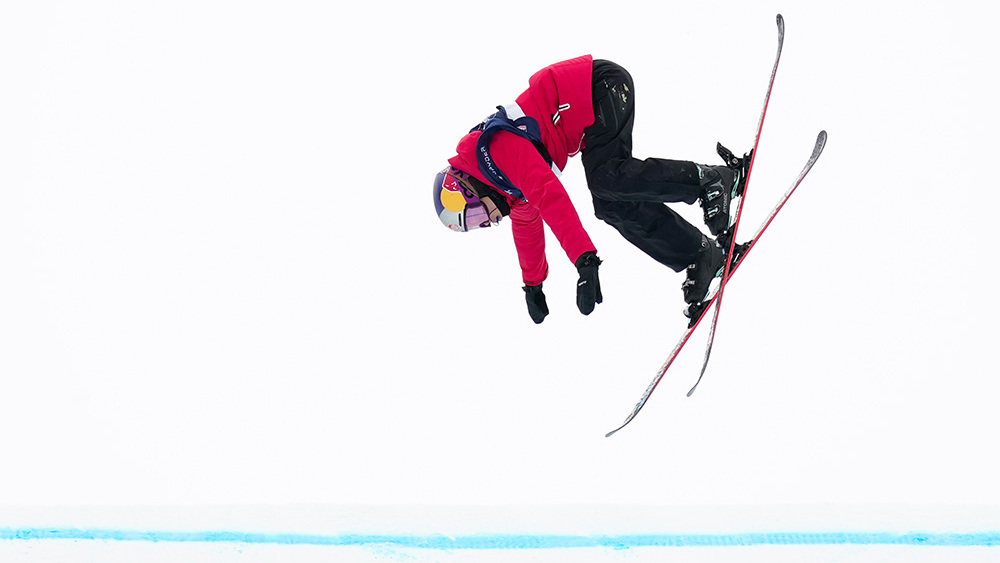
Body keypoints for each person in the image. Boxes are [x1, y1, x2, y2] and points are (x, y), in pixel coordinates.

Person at [432, 55, 747, 324]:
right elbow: (527, 230)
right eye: (476, 226)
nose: (486, 222)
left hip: (599, 86)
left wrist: (584, 259)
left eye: (475, 216)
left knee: (607, 179)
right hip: (590, 114)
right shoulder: (507, 189)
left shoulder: (496, 149)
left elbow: (550, 195)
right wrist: (533, 284)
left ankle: (710, 180)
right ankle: (700, 254)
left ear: (469, 189)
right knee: (609, 203)